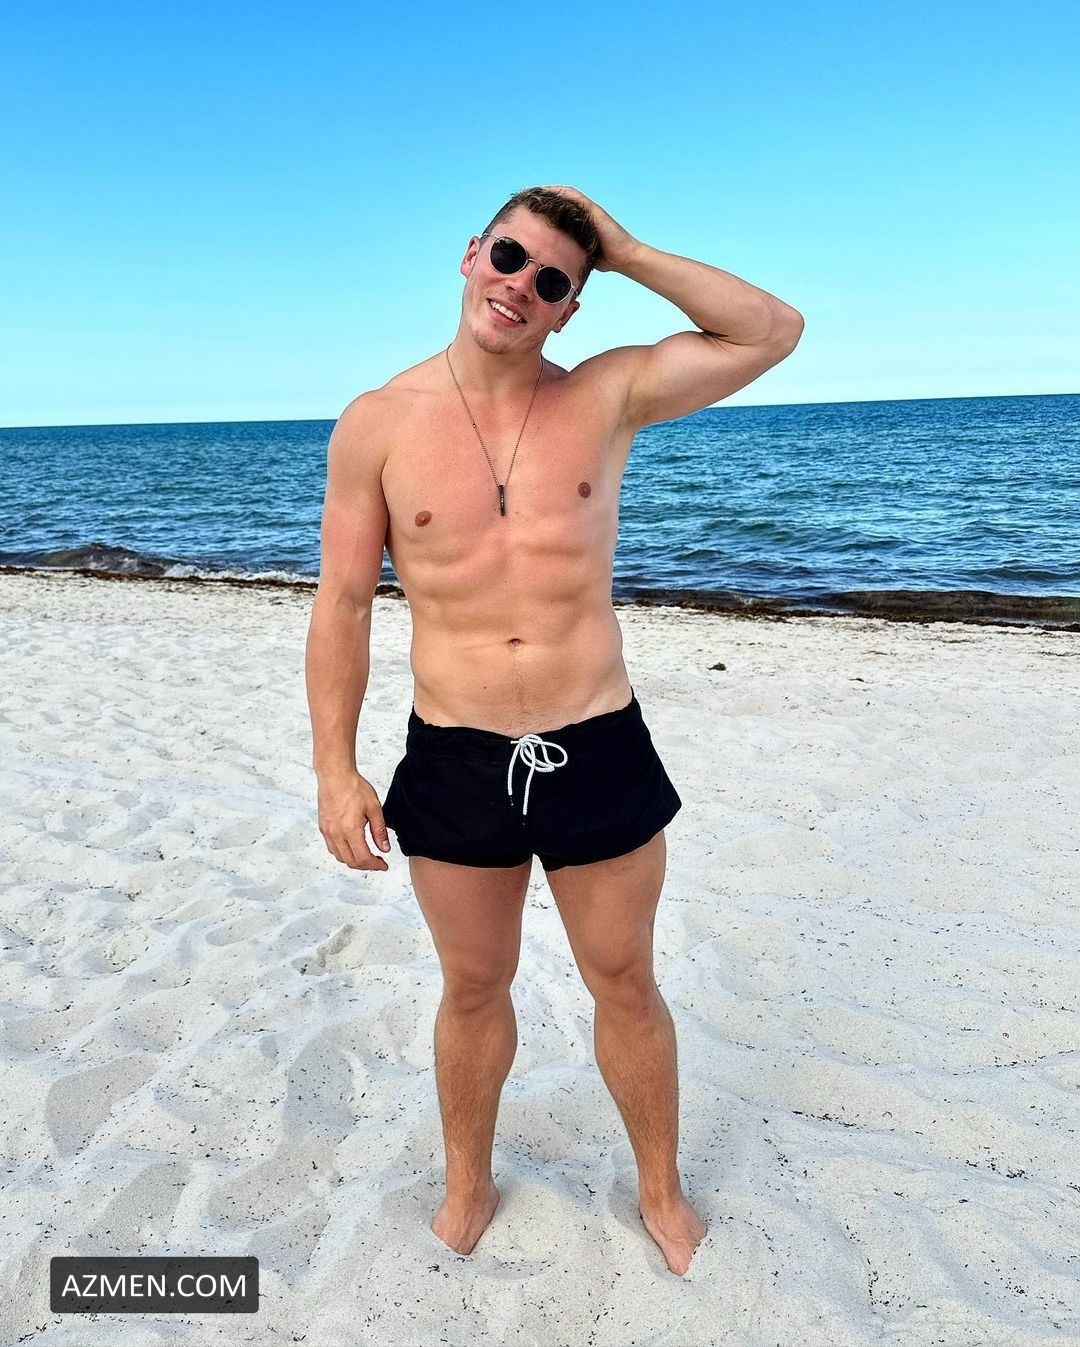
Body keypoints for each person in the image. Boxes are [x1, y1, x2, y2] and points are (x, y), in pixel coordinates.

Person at [305, 185, 803, 1276]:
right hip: (455, 754)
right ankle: (468, 1184)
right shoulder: (378, 423)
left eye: (551, 280)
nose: (519, 288)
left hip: (597, 743)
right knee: (472, 987)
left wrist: (625, 247)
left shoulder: (605, 397)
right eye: (508, 257)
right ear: (470, 253)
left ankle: (660, 1190)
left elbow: (771, 331)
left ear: (572, 304)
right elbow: (342, 605)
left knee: (624, 980)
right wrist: (336, 770)